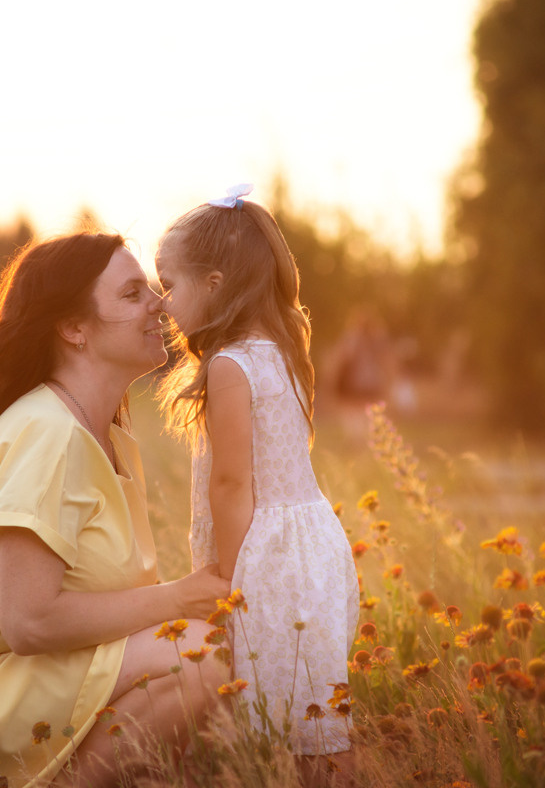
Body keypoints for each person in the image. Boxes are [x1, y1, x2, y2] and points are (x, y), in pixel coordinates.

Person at [0, 232, 231, 788]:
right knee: (200, 655)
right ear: (74, 329)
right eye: (132, 294)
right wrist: (177, 599)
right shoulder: (49, 432)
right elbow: (29, 621)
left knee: (201, 668)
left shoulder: (104, 435)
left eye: (150, 288)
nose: (159, 303)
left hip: (1, 669)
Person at [154, 186, 360, 768]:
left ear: (214, 284)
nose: (163, 303)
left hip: (262, 558)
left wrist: (229, 578)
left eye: (170, 284)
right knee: (314, 707)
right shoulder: (285, 350)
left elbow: (231, 483)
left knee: (262, 701)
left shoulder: (230, 364)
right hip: (312, 546)